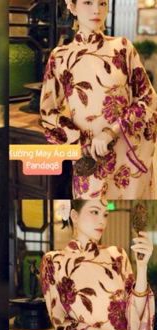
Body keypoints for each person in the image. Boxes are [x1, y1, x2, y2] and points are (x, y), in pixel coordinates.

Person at [40, 198, 157, 330]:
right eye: (94, 212)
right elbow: (59, 319)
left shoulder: (117, 255)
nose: (102, 220)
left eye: (105, 214)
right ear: (74, 215)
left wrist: (142, 266)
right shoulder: (54, 261)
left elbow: (137, 313)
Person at [40, 0, 157, 199]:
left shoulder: (123, 48)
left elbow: (148, 98)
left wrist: (111, 132)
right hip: (90, 159)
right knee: (91, 212)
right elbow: (48, 111)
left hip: (128, 154)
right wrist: (82, 142)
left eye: (102, 3)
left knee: (127, 216)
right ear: (72, 7)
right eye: (88, 2)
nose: (96, 10)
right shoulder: (60, 57)